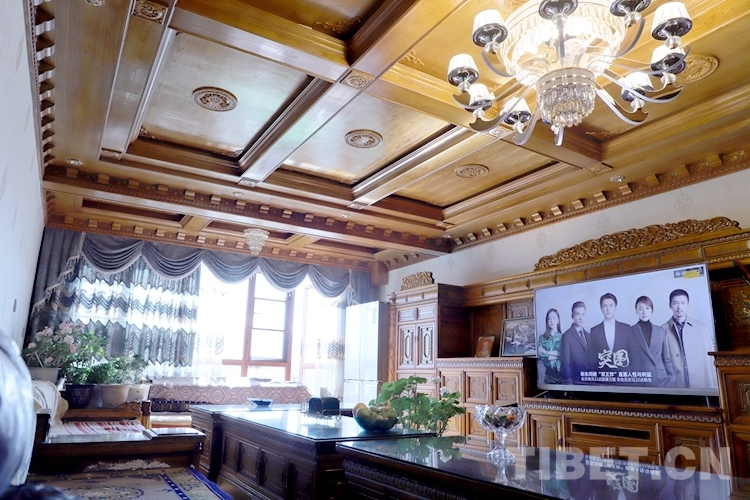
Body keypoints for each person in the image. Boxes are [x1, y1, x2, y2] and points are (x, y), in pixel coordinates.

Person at [661, 289, 718, 389]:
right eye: (675, 303)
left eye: (683, 303)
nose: (679, 307)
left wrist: (715, 385)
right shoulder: (662, 330)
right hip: (675, 386)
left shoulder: (701, 328)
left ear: (687, 304)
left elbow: (710, 359)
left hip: (701, 384)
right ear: (670, 305)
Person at [587, 293, 643, 382]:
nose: (608, 309)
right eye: (605, 306)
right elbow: (591, 360)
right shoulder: (594, 331)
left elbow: (635, 356)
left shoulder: (626, 328)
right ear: (601, 308)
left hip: (624, 379)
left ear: (615, 307)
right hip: (602, 381)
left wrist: (633, 380)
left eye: (611, 305)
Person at [631, 296, 675, 387]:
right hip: (641, 378)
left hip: (661, 379)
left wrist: (671, 377)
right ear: (636, 311)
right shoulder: (630, 331)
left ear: (652, 310)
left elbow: (665, 358)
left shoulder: (660, 331)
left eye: (647, 308)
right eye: (640, 309)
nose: (644, 312)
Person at [560, 302, 589, 384]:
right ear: (572, 316)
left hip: (590, 380)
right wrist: (569, 381)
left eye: (583, 314)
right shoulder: (567, 336)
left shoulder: (589, 335)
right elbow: (565, 362)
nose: (581, 317)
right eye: (578, 314)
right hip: (575, 380)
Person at [537, 308, 563, 384]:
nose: (551, 321)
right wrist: (557, 356)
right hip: (548, 373)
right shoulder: (542, 337)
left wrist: (546, 352)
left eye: (554, 318)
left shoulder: (563, 337)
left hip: (560, 372)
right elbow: (541, 356)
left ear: (558, 320)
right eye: (549, 319)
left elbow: (562, 353)